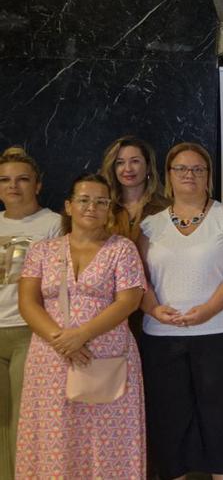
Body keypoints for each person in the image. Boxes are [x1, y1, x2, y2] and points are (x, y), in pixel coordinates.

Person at [15, 173, 145, 477]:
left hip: (107, 358)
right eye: (84, 200)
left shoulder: (122, 249)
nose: (92, 207)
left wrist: (82, 336)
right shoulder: (42, 251)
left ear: (109, 209)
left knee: (105, 436)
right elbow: (28, 303)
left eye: (101, 202)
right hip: (51, 359)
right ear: (68, 206)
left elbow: (129, 301)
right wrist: (63, 341)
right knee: (54, 434)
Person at [138, 142, 223, 480]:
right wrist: (155, 309)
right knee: (170, 419)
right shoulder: (150, 226)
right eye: (181, 169)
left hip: (221, 335)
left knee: (219, 418)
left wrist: (207, 310)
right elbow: (138, 278)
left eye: (197, 169)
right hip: (162, 338)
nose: (189, 175)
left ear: (208, 177)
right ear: (168, 177)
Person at [0, 147, 64, 477]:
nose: (14, 186)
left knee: (25, 420)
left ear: (37, 185)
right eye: (5, 180)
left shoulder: (54, 225)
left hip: (31, 333)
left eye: (23, 179)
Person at [100, 136, 169, 243]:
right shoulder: (103, 208)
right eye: (120, 163)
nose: (128, 169)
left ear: (148, 167)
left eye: (135, 161)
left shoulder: (166, 208)